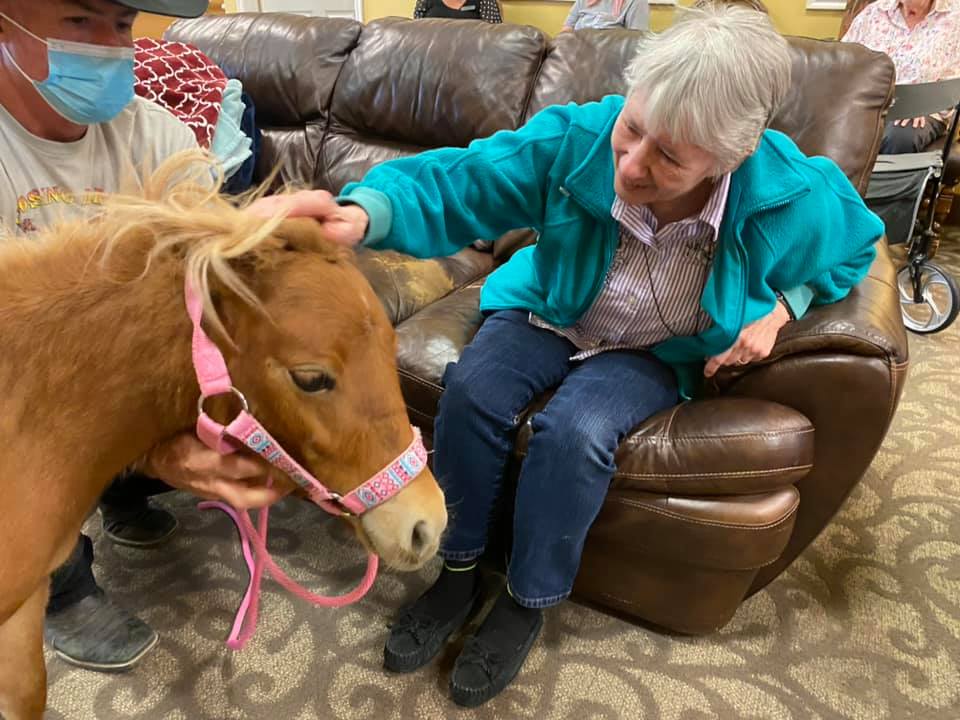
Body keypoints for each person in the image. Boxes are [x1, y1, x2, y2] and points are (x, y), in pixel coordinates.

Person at [280, 2, 884, 707]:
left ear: (727, 157)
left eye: (670, 156)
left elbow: (859, 243)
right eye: (633, 129)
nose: (631, 164)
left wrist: (786, 309)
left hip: (658, 347)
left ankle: (528, 599)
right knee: (472, 390)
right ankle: (457, 568)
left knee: (577, 434)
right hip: (551, 308)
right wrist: (366, 211)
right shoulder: (578, 138)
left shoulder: (790, 194)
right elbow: (467, 179)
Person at [0, 0, 286, 673]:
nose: (110, 47)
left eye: (123, 25)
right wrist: (157, 449)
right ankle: (64, 589)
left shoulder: (153, 132)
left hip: (121, 366)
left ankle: (120, 491)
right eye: (79, 22)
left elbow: (206, 283)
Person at [842, 0, 960, 153]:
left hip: (923, 112)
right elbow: (842, 63)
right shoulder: (873, 13)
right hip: (868, 105)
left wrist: (923, 105)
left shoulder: (955, 17)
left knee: (900, 136)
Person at [562, 0, 648, 31]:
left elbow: (636, 42)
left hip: (607, 62)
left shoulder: (637, 2)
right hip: (575, 55)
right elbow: (568, 27)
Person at [413, 0, 502, 23]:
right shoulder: (425, 1)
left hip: (472, 58)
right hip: (433, 59)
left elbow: (494, 36)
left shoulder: (485, 1)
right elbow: (417, 35)